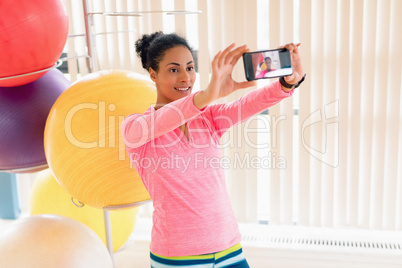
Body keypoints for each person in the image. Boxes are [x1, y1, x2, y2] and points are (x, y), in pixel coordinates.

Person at [121, 31, 305, 268]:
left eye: (190, 68)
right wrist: (208, 95)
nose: (185, 77)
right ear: (153, 74)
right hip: (177, 257)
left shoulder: (207, 117)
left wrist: (287, 82)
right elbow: (169, 117)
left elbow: (248, 104)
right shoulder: (136, 128)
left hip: (229, 249)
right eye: (174, 70)